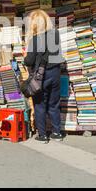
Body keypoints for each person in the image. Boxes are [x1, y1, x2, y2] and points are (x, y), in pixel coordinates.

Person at [24, 9, 65, 143]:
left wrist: (25, 59)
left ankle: (42, 135)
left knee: (40, 104)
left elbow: (29, 61)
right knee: (54, 104)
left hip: (40, 76)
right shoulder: (55, 35)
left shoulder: (34, 40)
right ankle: (56, 133)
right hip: (55, 73)